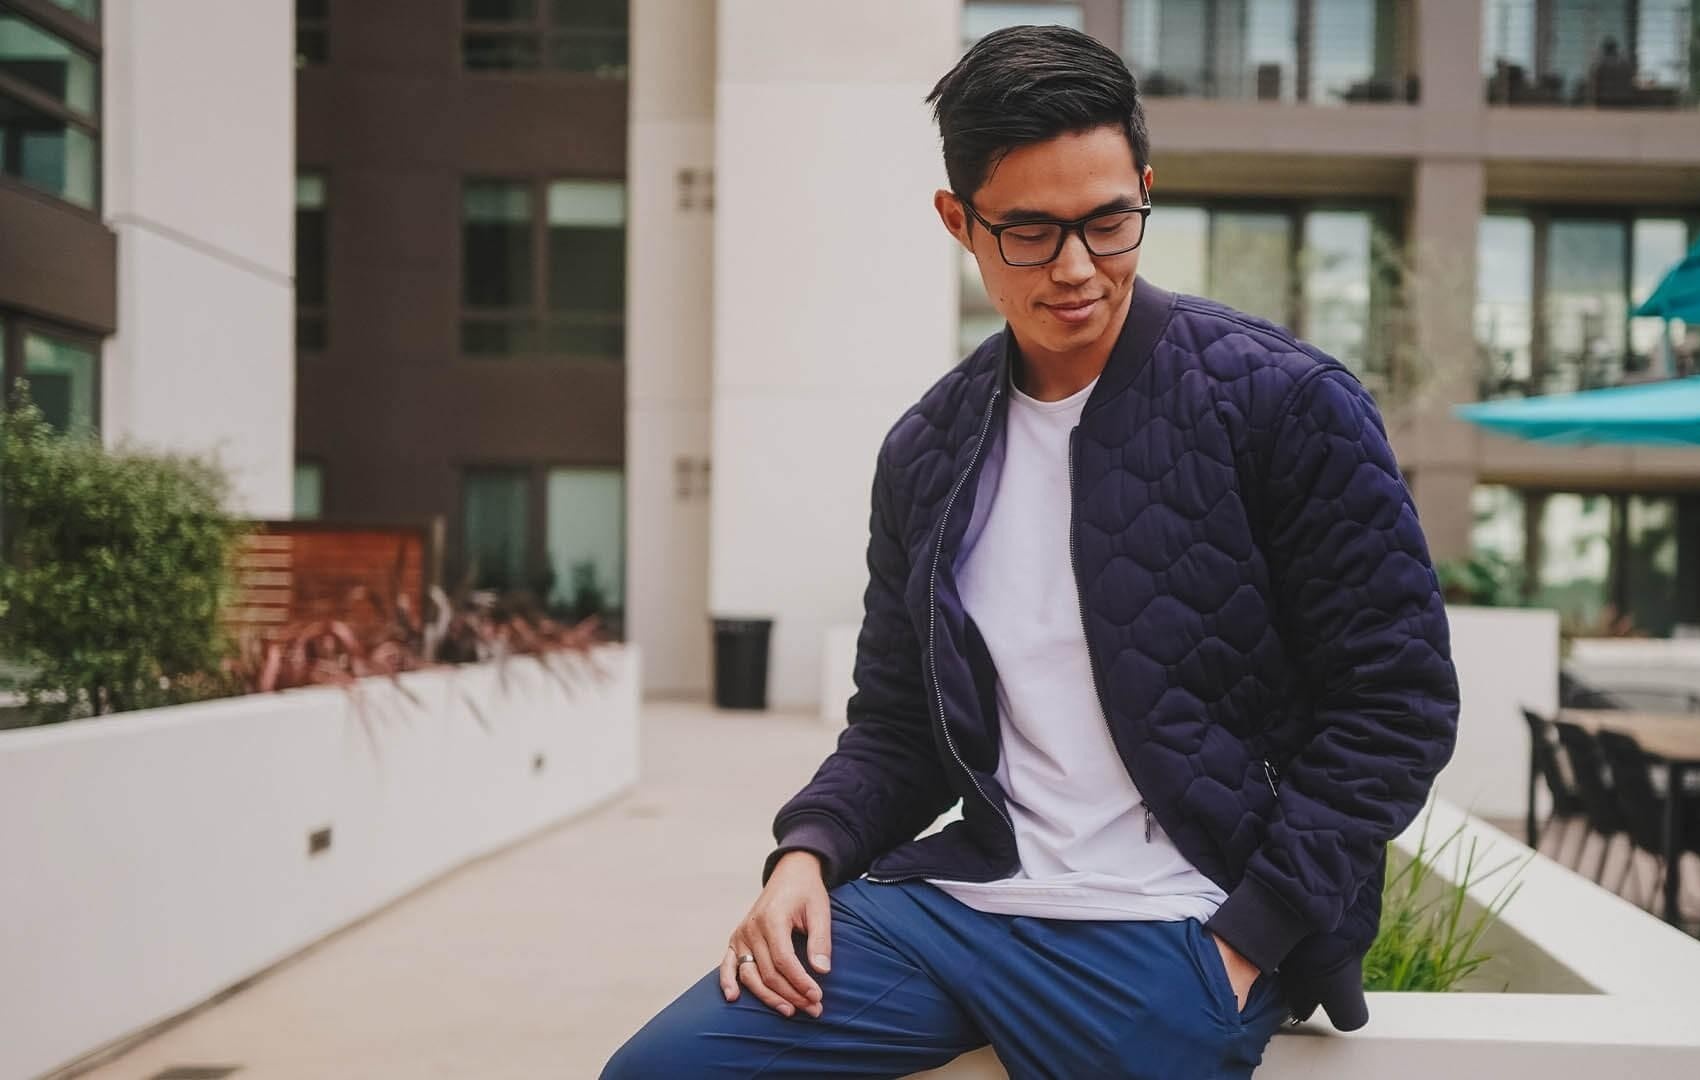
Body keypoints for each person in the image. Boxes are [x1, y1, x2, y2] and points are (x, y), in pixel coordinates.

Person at [601, 24, 1458, 1079]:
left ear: (1145, 191)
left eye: (1109, 222)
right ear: (958, 221)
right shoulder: (928, 450)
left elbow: (1397, 703)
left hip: (1181, 926)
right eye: (1030, 233)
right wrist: (806, 854)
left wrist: (1249, 940)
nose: (1076, 268)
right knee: (661, 1071)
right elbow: (898, 724)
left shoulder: (1284, 404)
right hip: (967, 902)